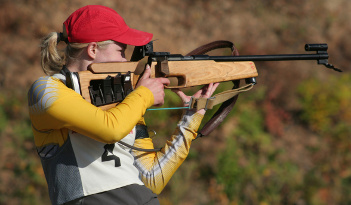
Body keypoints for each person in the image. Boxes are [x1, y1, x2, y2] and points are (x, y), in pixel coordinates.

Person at [28, 5, 219, 205]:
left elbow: (152, 178)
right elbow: (110, 129)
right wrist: (144, 94)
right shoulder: (45, 91)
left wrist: (192, 118)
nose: (125, 61)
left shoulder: (128, 101)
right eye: (121, 52)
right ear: (93, 49)